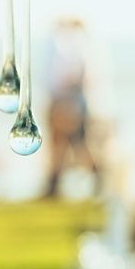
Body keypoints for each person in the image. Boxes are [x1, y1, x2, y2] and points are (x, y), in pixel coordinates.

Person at [45, 18, 98, 197]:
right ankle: (53, 185)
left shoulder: (78, 46)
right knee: (61, 146)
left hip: (70, 102)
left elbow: (77, 76)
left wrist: (65, 100)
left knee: (77, 145)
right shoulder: (69, 46)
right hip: (64, 101)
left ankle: (98, 179)